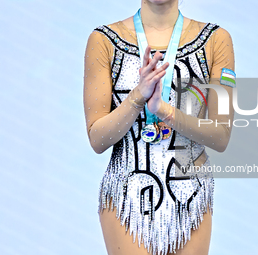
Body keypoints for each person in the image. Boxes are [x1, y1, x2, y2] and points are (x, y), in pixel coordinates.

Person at [83, 0, 235, 254]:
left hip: (191, 192)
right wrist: (137, 97)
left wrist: (163, 110)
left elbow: (221, 136)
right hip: (127, 194)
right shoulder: (104, 40)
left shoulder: (216, 40)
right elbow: (97, 139)